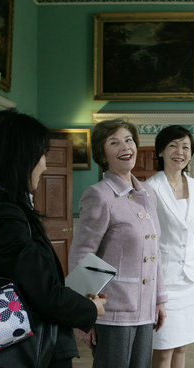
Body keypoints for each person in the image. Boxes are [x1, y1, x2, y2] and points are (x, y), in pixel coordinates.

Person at [0, 110, 106, 368]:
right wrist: (91, 310)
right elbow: (42, 295)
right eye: (41, 154)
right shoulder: (9, 217)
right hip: (30, 349)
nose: (45, 163)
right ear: (21, 157)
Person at [69, 118, 168, 368]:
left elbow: (154, 251)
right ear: (103, 155)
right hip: (112, 312)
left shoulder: (147, 194)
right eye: (114, 142)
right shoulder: (99, 195)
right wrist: (84, 318)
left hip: (145, 310)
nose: (125, 147)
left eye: (129, 140)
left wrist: (159, 300)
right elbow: (83, 256)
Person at [146, 125, 194, 368]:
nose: (180, 151)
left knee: (182, 345)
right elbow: (148, 238)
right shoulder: (149, 187)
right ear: (161, 150)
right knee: (163, 347)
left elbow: (193, 233)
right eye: (173, 145)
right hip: (164, 278)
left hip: (189, 277)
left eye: (186, 147)